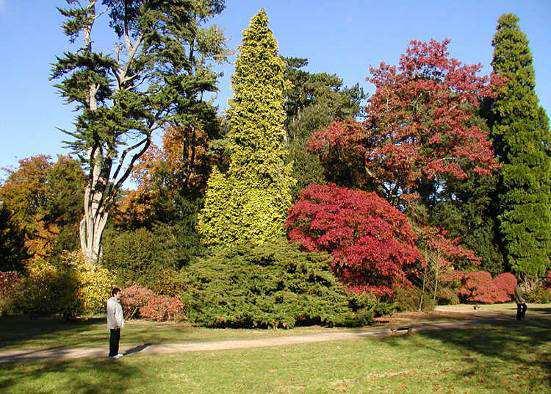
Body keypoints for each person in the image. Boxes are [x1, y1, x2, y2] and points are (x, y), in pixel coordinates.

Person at [107, 287, 125, 359]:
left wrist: (120, 323)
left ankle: (115, 353)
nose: (120, 295)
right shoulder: (111, 302)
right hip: (114, 324)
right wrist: (114, 324)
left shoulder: (117, 302)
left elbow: (118, 313)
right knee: (113, 339)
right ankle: (112, 354)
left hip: (118, 324)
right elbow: (111, 314)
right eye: (119, 293)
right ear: (114, 294)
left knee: (117, 338)